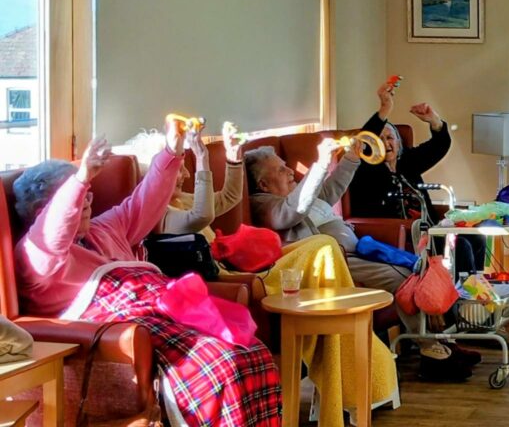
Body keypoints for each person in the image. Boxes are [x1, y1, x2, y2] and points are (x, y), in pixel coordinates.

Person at [124, 123, 399, 422]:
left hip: (248, 268)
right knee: (323, 247)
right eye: (178, 167)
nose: (187, 174)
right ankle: (355, 367)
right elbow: (202, 215)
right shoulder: (158, 214)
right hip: (233, 278)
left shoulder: (185, 198)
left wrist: (231, 157)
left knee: (325, 249)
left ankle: (348, 361)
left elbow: (228, 198)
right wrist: (202, 157)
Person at [13, 126, 281, 427]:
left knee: (251, 350)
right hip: (123, 321)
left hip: (166, 308)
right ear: (41, 211)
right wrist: (80, 178)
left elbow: (145, 200)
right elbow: (52, 232)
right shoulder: (36, 253)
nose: (85, 199)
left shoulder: (104, 228)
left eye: (87, 192)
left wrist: (171, 150)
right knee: (219, 362)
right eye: (75, 195)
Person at [245, 128, 479, 383]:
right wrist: (321, 163)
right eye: (281, 170)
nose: (290, 171)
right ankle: (431, 351)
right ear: (263, 184)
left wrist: (351, 158)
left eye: (286, 166)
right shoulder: (265, 203)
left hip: (355, 252)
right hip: (332, 263)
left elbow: (330, 190)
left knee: (420, 269)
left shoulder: (297, 195)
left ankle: (442, 342)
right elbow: (293, 211)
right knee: (404, 277)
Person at [347, 81, 487, 276]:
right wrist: (385, 108)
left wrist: (434, 121)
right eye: (379, 139)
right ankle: (453, 300)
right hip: (401, 235)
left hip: (431, 230)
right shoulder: (367, 171)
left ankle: (473, 292)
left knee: (477, 239)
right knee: (461, 246)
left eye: (390, 138)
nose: (386, 143)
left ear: (399, 142)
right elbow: (365, 140)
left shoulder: (407, 162)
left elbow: (439, 146)